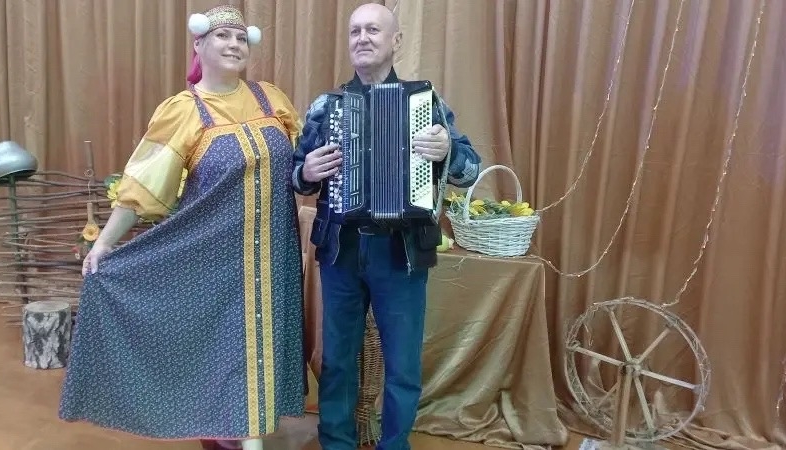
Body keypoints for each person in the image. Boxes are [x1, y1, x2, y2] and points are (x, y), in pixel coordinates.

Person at [58, 6, 308, 450]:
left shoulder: (273, 100)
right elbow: (142, 185)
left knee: (257, 352)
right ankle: (234, 437)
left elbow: (301, 165)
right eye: (223, 36)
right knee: (223, 355)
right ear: (199, 44)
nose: (234, 45)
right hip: (211, 261)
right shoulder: (184, 111)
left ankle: (245, 436)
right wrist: (104, 244)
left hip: (271, 258)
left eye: (240, 38)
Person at [291, 3, 482, 450]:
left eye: (373, 30)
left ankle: (394, 444)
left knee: (402, 364)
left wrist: (447, 151)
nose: (362, 38)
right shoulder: (326, 106)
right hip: (341, 248)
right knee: (338, 359)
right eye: (355, 31)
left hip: (401, 251)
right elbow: (296, 175)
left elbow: (471, 169)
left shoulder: (427, 103)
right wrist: (307, 171)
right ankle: (336, 443)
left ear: (395, 41)